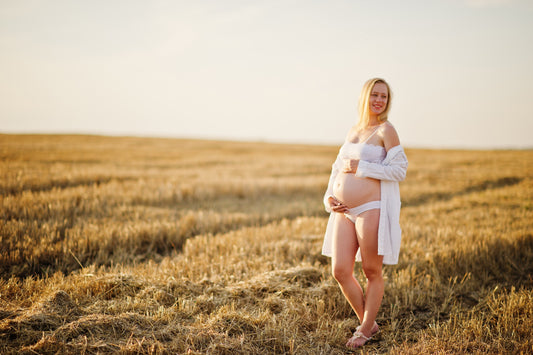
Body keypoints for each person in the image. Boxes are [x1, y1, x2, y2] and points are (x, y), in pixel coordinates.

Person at [322, 78, 408, 349]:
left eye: (384, 96)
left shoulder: (386, 130)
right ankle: (369, 324)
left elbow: (399, 169)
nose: (379, 100)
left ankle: (364, 329)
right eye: (374, 95)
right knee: (340, 270)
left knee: (372, 270)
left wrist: (362, 166)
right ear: (365, 97)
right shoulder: (354, 130)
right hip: (343, 211)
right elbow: (337, 168)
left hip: (371, 208)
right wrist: (329, 197)